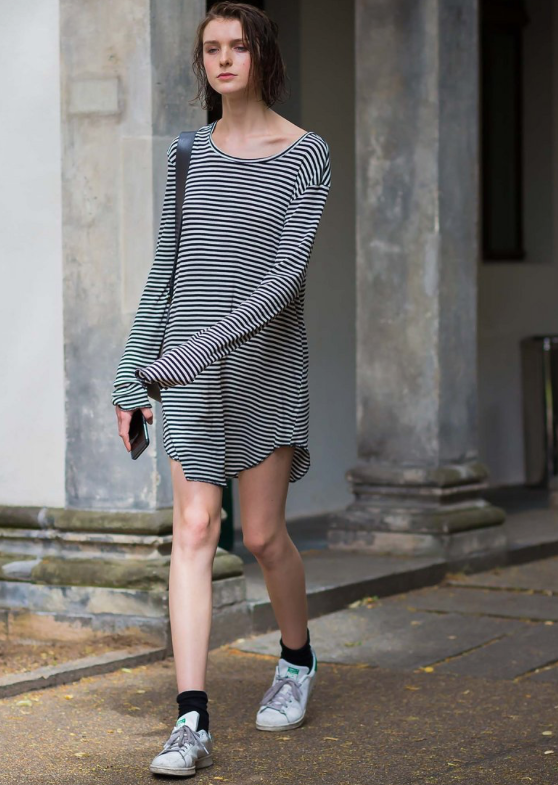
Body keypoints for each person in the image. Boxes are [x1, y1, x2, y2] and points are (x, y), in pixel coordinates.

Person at [112, 1, 331, 777]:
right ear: (203, 63)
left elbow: (282, 283)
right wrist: (131, 373)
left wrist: (186, 355)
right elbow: (165, 271)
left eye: (239, 45)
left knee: (263, 536)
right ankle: (190, 720)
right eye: (212, 48)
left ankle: (297, 659)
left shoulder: (306, 154)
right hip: (189, 375)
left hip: (265, 366)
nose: (225, 59)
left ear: (263, 55)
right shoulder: (185, 153)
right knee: (196, 529)